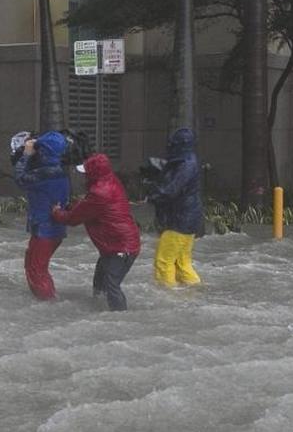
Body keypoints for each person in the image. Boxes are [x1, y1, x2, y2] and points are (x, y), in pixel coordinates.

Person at [52, 152, 141, 311]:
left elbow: (73, 219)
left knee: (111, 285)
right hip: (115, 245)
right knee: (100, 282)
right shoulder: (109, 181)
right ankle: (99, 311)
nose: (83, 176)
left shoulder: (100, 193)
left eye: (86, 172)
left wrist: (56, 212)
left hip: (121, 248)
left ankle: (120, 319)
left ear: (94, 173)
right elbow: (88, 207)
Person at [13, 130, 71, 300]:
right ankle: (47, 299)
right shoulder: (56, 170)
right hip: (51, 229)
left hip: (45, 229)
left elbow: (20, 179)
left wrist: (25, 155)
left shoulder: (47, 173)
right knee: (35, 266)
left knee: (36, 270)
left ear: (44, 151)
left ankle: (49, 303)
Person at [148, 127, 203, 287]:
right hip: (189, 219)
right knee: (181, 263)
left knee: (163, 262)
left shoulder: (185, 165)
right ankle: (194, 292)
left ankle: (168, 298)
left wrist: (153, 195)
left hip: (180, 220)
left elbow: (171, 190)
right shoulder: (187, 161)